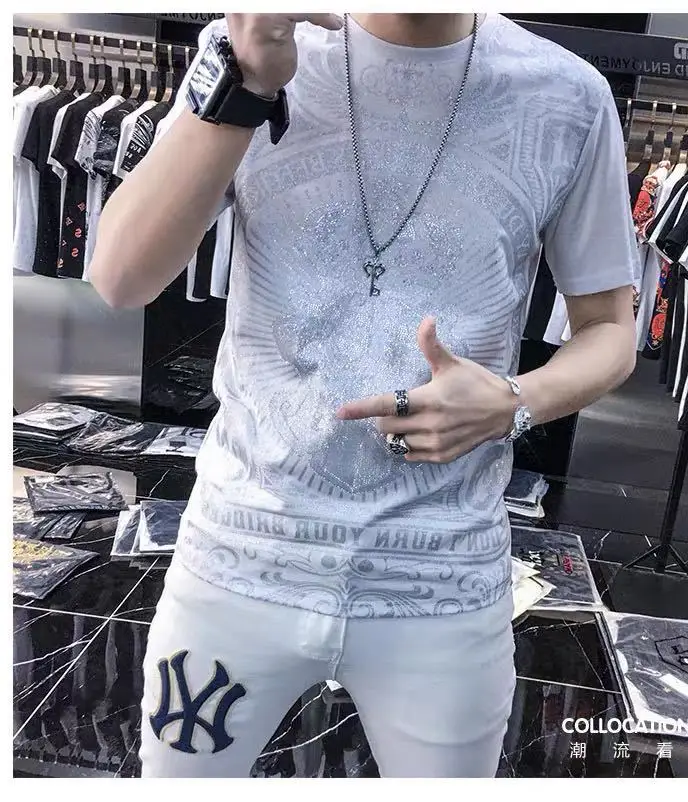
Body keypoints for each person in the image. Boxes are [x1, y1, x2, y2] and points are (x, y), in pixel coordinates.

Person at [91, 13, 638, 778]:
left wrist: (513, 401)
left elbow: (611, 327)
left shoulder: (566, 95)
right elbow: (120, 277)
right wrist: (249, 81)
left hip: (440, 582)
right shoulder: (248, 44)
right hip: (241, 558)